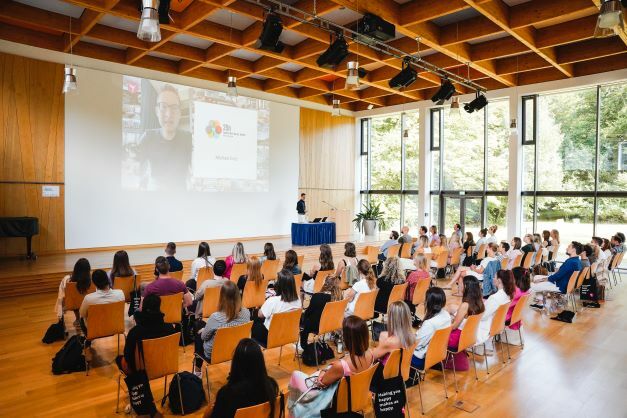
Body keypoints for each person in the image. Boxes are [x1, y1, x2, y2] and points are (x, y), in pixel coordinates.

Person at [288, 316, 374, 417]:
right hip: (357, 397)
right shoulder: (370, 354)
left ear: (347, 338)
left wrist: (324, 370)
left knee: (296, 375)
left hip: (337, 402)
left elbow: (321, 383)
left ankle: (293, 411)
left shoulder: (341, 365)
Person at [136, 84, 192, 190]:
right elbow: (134, 166)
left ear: (180, 113)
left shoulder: (188, 139)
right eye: (163, 106)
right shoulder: (148, 137)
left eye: (174, 107)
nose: (168, 114)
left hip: (181, 199)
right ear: (157, 111)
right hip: (154, 197)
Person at [205, 338, 279, 418]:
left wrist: (208, 412)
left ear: (236, 363)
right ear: (260, 361)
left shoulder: (226, 394)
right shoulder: (271, 385)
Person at [194, 281, 250, 376]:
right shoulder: (247, 313)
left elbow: (204, 337)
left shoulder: (216, 317)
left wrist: (204, 330)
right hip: (237, 350)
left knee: (198, 327)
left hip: (214, 354)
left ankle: (197, 370)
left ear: (222, 297)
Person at [117, 294, 175, 374]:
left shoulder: (135, 332)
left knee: (118, 358)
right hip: (164, 365)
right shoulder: (170, 328)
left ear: (143, 308)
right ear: (159, 307)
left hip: (140, 371)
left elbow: (128, 357)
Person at [252, 270, 301, 346]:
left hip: (271, 337)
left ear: (279, 285)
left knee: (255, 317)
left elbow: (260, 315)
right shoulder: (298, 300)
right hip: (290, 334)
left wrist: (257, 308)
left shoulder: (273, 301)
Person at [411, 287, 451, 370]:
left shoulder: (430, 323)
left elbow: (417, 346)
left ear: (428, 302)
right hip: (438, 355)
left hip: (421, 359)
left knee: (395, 348)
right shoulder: (446, 315)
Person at [301, 275, 342, 351]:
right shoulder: (339, 298)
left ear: (325, 284)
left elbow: (308, 313)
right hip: (332, 324)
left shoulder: (317, 296)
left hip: (317, 326)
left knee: (304, 317)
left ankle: (303, 346)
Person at [79, 269, 125, 335]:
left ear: (94, 283)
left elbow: (82, 314)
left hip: (96, 332)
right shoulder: (120, 293)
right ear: (107, 279)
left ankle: (89, 342)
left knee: (82, 319)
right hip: (116, 329)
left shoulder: (88, 299)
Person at [476, 270, 515, 345]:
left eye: (494, 277)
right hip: (497, 325)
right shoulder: (507, 295)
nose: (493, 278)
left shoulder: (494, 298)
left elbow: (483, 317)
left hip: (485, 326)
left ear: (499, 280)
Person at [446, 276, 484, 349]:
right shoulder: (479, 302)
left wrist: (440, 329)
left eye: (461, 283)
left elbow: (454, 327)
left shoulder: (465, 305)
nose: (459, 285)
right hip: (469, 336)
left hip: (456, 339)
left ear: (465, 286)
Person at [55, 258, 92, 323]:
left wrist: (60, 312)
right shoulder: (92, 281)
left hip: (72, 304)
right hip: (88, 304)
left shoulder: (67, 280)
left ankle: (78, 318)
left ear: (76, 268)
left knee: (74, 300)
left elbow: (60, 296)